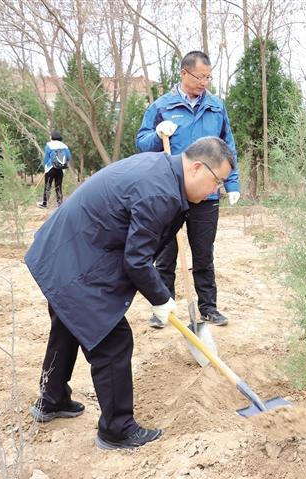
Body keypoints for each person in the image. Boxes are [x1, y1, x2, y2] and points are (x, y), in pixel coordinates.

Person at [25, 136, 234, 450]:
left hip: (67, 249)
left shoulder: (165, 173)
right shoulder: (161, 192)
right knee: (113, 341)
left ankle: (52, 399)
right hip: (75, 258)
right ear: (195, 168)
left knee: (68, 324)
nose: (215, 191)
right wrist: (162, 299)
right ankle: (117, 430)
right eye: (217, 181)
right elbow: (136, 260)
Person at [136, 50, 238, 329]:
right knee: (166, 252)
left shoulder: (216, 107)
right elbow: (141, 142)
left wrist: (232, 182)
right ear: (183, 73)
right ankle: (163, 307)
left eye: (208, 76)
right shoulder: (161, 106)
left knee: (203, 253)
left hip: (207, 193)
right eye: (199, 76)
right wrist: (157, 135)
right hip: (171, 190)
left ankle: (208, 308)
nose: (204, 82)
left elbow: (228, 145)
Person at [37, 130, 71, 209]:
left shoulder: (49, 145)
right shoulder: (65, 146)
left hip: (50, 168)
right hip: (60, 169)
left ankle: (45, 203)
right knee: (58, 186)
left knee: (48, 186)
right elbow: (68, 157)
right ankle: (60, 204)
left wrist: (46, 168)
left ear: (52, 137)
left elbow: (46, 158)